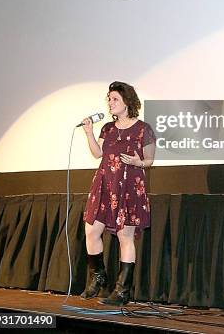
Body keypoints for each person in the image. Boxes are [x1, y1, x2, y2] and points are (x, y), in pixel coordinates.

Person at [80, 81, 156, 305]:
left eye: (114, 99)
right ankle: (98, 276)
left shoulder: (143, 129)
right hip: (105, 184)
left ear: (127, 102)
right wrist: (89, 133)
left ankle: (122, 291)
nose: (110, 102)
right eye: (109, 99)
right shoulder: (108, 128)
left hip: (129, 187)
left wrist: (137, 161)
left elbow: (150, 160)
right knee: (91, 230)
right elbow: (98, 154)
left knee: (126, 236)